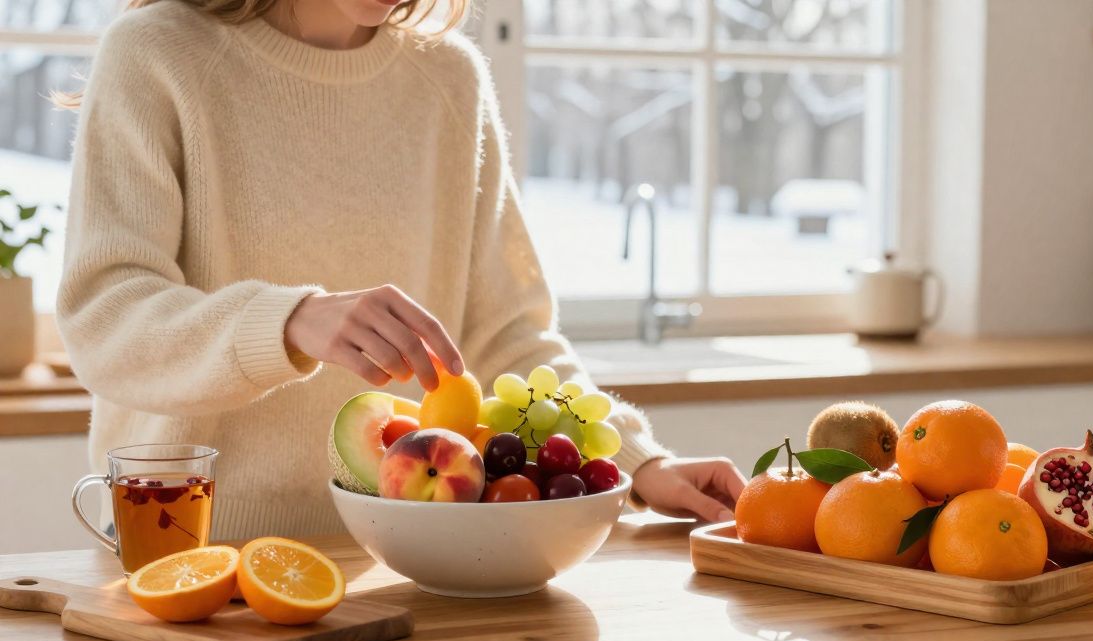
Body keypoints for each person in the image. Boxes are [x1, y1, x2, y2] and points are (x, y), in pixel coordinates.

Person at [56, 0, 745, 539]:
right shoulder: (156, 54)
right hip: (189, 557)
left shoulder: (449, 79)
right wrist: (289, 323)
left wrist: (638, 462)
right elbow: (104, 316)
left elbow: (506, 341)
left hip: (405, 560)